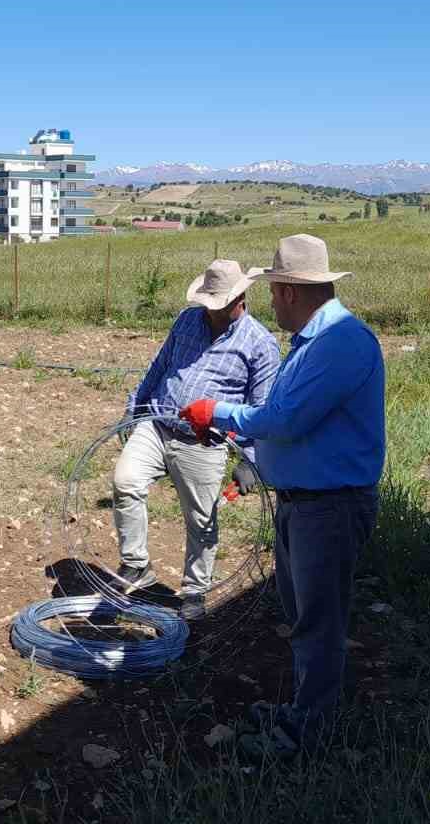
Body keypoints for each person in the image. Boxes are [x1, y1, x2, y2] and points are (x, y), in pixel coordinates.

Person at [180, 234, 385, 751]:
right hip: (306, 503)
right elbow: (283, 417)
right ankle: (301, 710)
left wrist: (216, 412)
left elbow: (285, 418)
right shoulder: (315, 343)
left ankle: (307, 733)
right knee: (304, 617)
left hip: (329, 506)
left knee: (318, 623)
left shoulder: (340, 342)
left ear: (291, 291)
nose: (269, 303)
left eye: (273, 292)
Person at [112, 259, 280, 621]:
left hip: (205, 441)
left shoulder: (260, 344)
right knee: (125, 482)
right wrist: (135, 407)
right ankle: (136, 564)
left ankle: (194, 590)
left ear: (240, 299)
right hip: (157, 423)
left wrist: (250, 458)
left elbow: (262, 408)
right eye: (208, 303)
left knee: (201, 520)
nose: (211, 311)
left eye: (219, 304)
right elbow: (160, 365)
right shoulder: (187, 320)